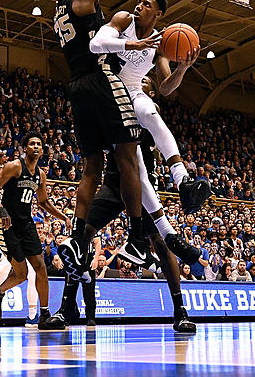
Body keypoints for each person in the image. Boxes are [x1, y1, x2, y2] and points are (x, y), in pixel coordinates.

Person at [41, 0, 154, 276]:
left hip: (76, 87)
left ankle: (76, 237)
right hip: (100, 79)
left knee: (91, 167)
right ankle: (138, 237)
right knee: (127, 156)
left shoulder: (58, 16)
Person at [52, 140, 196, 333]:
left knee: (160, 242)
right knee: (81, 238)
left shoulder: (145, 116)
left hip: (144, 186)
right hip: (113, 183)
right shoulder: (113, 113)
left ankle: (180, 310)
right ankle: (66, 307)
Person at [90, 0, 211, 213]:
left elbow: (165, 88)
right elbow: (96, 44)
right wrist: (132, 45)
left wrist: (182, 69)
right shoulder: (124, 20)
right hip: (108, 87)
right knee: (132, 160)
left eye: (146, 5)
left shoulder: (159, 44)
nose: (139, 7)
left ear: (158, 13)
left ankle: (182, 180)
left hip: (134, 90)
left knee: (151, 114)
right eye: (139, 3)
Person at [0, 133, 68, 330]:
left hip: (27, 223)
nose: (36, 146)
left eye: (39, 143)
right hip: (7, 224)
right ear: (25, 148)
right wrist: (1, 209)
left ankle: (45, 314)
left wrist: (63, 216)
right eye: (32, 144)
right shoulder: (14, 166)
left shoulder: (41, 174)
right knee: (21, 274)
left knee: (40, 267)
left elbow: (43, 201)